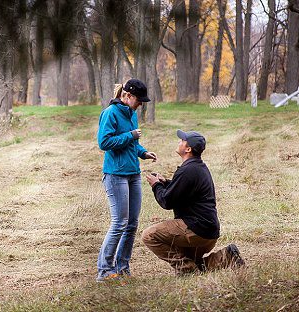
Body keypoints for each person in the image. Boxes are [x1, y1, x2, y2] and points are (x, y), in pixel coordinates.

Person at [142, 130, 245, 274]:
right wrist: (165, 183)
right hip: (209, 232)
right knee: (196, 264)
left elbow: (166, 201)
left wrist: (156, 185)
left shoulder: (187, 170)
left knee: (149, 235)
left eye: (182, 140)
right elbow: (182, 190)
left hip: (196, 231)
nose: (179, 142)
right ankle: (227, 256)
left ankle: (187, 270)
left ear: (188, 149)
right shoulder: (198, 167)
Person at [96, 78, 158, 281]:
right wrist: (130, 136)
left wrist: (143, 152)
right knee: (119, 223)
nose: (141, 105)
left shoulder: (131, 114)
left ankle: (122, 267)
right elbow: (104, 142)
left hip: (133, 173)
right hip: (115, 175)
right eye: (139, 100)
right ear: (128, 96)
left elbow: (132, 143)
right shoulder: (110, 113)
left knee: (132, 223)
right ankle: (104, 271)